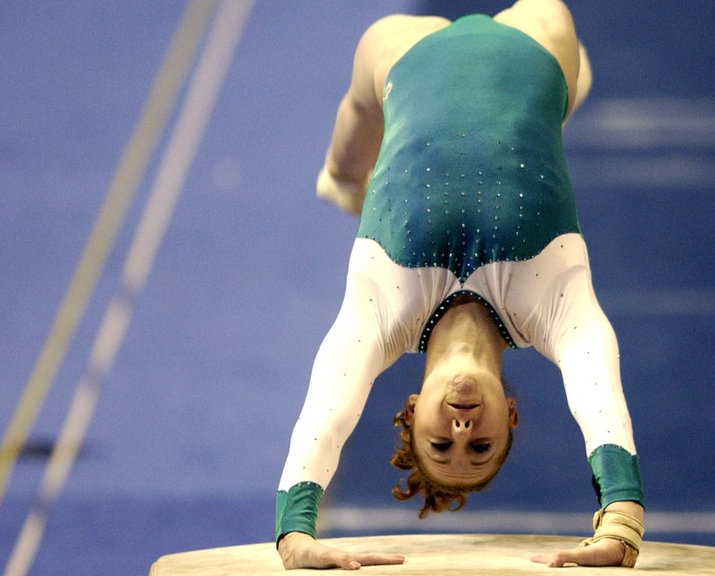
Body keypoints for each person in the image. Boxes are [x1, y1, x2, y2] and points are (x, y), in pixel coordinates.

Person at [276, 0, 644, 569]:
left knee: (349, 168)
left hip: (404, 56)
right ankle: (576, 82)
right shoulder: (552, 307)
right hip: (535, 43)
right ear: (511, 415)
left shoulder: (379, 317)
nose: (463, 427)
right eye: (482, 445)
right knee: (555, 44)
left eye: (441, 443)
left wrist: (295, 533)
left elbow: (326, 413)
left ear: (413, 407)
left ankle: (345, 187)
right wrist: (622, 519)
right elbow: (598, 397)